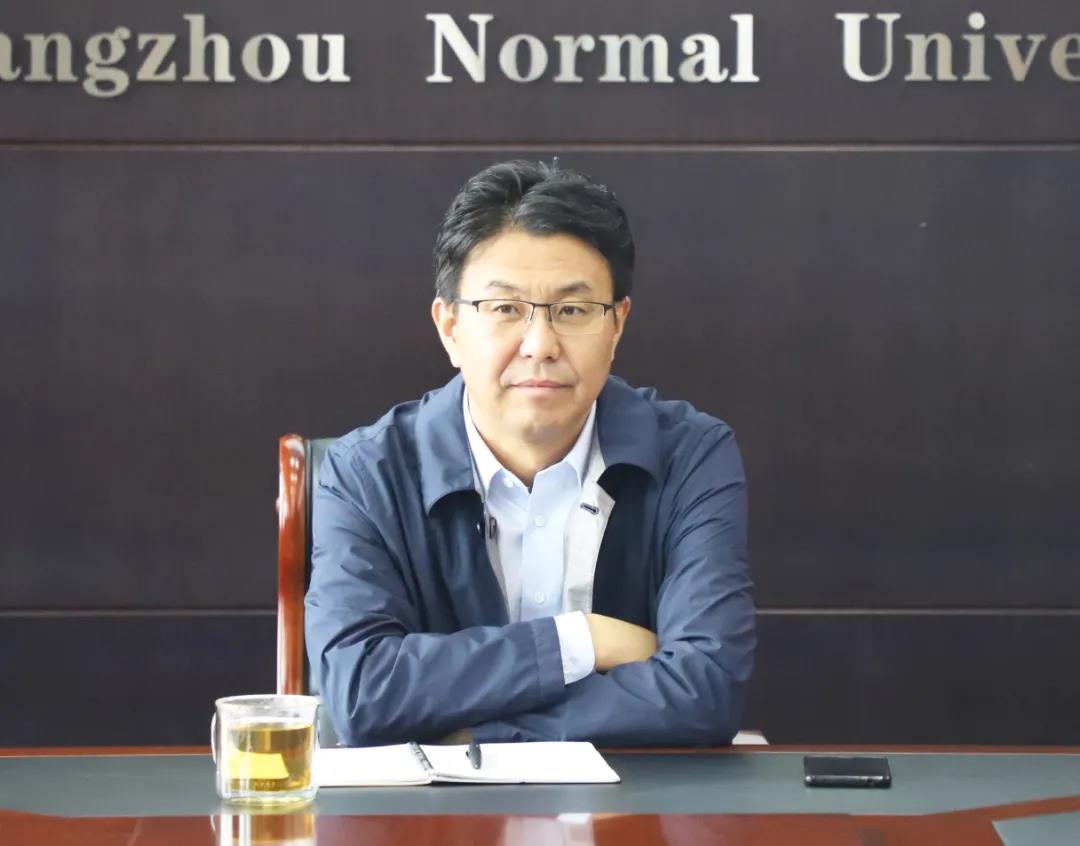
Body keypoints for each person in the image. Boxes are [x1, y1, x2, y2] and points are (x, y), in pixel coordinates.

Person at [305, 160, 755, 746]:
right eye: (505, 309)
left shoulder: (691, 456)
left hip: (629, 800)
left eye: (572, 310)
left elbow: (706, 691)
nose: (540, 345)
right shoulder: (365, 473)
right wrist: (582, 640)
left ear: (617, 326)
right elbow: (361, 693)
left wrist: (475, 731)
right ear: (449, 327)